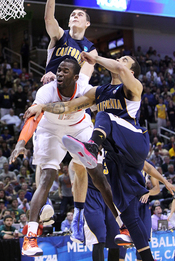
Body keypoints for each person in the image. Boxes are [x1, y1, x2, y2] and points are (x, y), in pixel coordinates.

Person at [25, 52, 175, 261]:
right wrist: (43, 107)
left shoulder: (133, 87)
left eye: (124, 60)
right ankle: (143, 252)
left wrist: (95, 60)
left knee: (103, 115)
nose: (119, 62)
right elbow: (69, 106)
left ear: (131, 72)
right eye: (119, 59)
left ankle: (92, 148)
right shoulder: (99, 92)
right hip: (118, 158)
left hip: (135, 141)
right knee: (126, 212)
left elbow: (121, 70)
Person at [10, 58, 120, 257]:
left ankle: (122, 223)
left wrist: (105, 138)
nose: (59, 74)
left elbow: (101, 113)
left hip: (79, 127)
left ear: (76, 77)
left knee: (96, 170)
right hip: (49, 129)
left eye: (65, 71)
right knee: (47, 177)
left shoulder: (86, 88)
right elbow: (32, 118)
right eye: (58, 70)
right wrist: (20, 143)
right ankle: (30, 237)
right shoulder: (46, 91)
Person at [42, 0, 97, 84]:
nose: (75, 16)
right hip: (51, 86)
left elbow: (83, 80)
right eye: (73, 15)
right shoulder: (60, 35)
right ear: (69, 23)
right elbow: (48, 19)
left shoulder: (91, 49)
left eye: (80, 15)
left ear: (87, 23)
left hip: (72, 92)